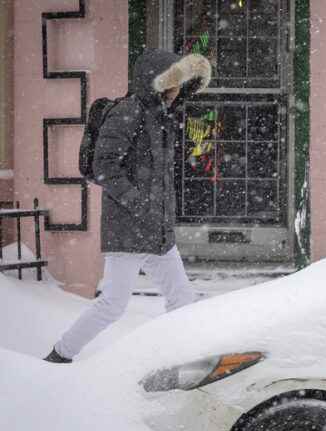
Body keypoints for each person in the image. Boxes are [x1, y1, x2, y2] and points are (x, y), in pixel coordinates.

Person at [43, 49, 212, 363]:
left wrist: (156, 211)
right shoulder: (128, 112)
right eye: (172, 84)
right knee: (113, 305)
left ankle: (185, 358)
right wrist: (139, 203)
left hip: (158, 229)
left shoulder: (162, 115)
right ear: (157, 83)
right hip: (130, 228)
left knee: (182, 298)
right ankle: (60, 354)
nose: (176, 92)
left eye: (179, 85)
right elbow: (104, 165)